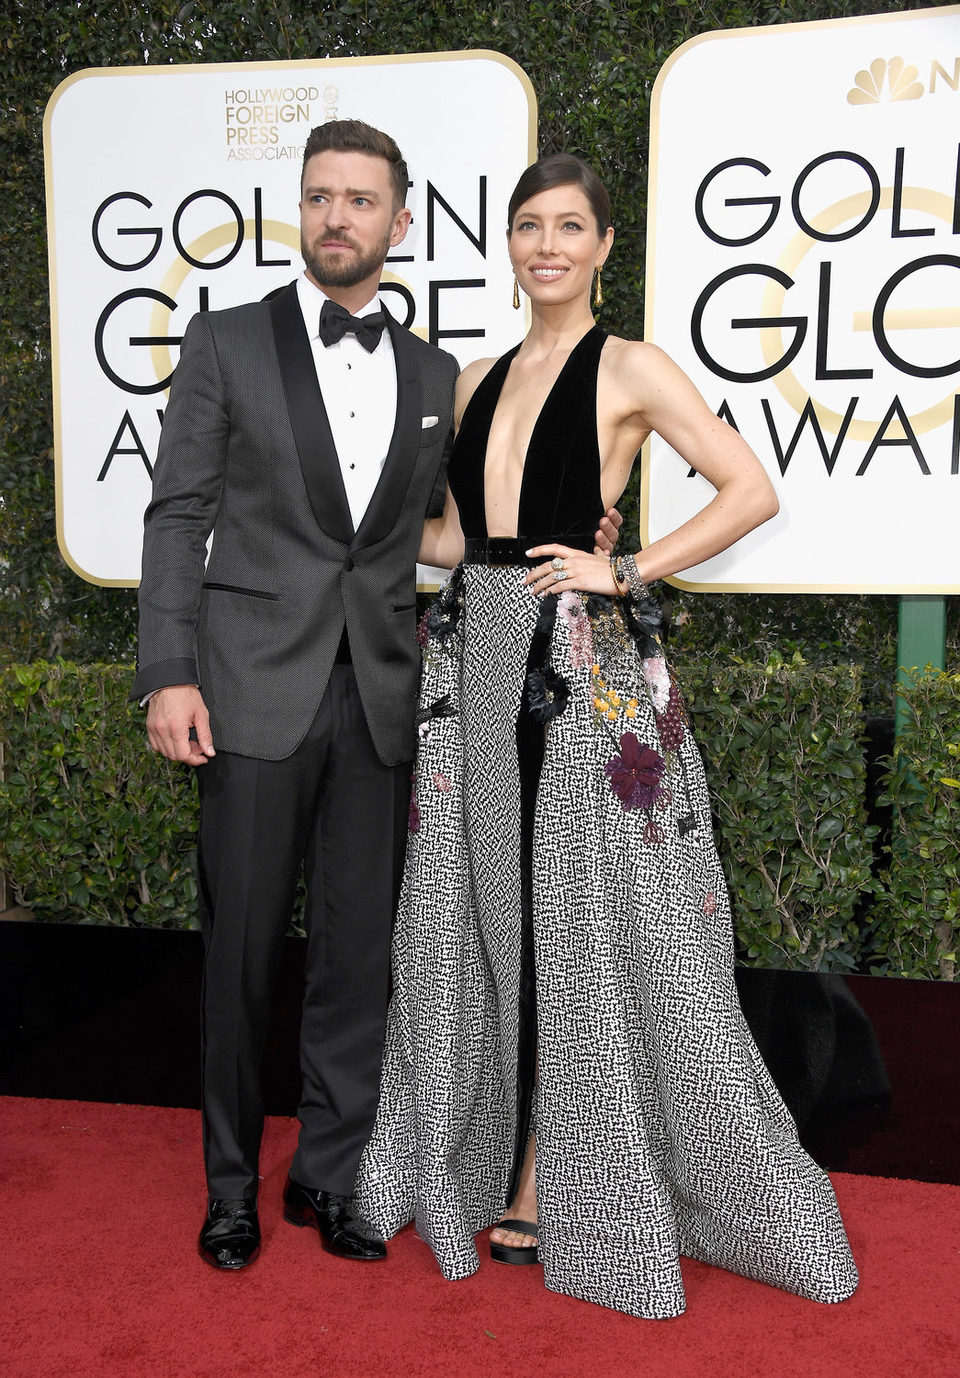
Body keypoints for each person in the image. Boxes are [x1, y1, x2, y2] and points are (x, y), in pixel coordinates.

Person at [355, 153, 859, 1319]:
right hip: (473, 661)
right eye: (528, 225)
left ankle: (552, 1169)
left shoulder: (630, 366)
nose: (546, 245)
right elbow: (451, 538)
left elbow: (749, 489)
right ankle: (483, 1147)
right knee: (481, 914)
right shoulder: (475, 374)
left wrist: (622, 566)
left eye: (569, 227)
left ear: (604, 245)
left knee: (573, 920)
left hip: (576, 672)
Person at [132, 120, 462, 1271]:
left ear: (398, 222)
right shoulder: (226, 343)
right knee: (242, 953)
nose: (337, 217)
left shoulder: (432, 374)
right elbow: (178, 513)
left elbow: (436, 529)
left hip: (378, 696)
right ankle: (230, 1187)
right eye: (319, 196)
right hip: (248, 692)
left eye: (361, 200)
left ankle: (329, 1172)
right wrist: (168, 670)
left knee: (356, 957)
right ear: (300, 211)